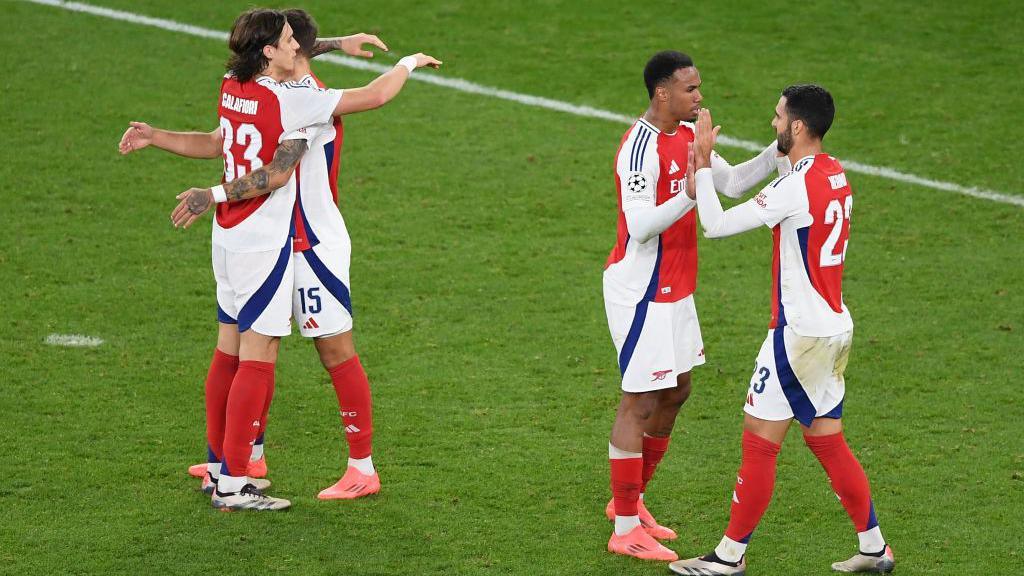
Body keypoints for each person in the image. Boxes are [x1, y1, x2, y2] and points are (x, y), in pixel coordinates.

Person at [123, 7, 440, 511]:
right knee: (250, 350)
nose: (298, 47)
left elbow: (296, 65)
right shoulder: (291, 97)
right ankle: (239, 463)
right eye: (291, 41)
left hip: (313, 245)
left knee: (329, 349)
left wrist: (343, 44)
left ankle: (360, 467)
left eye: (300, 41)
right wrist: (402, 61)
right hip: (269, 239)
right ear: (272, 52)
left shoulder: (259, 85)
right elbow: (368, 94)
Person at [669, 86, 894, 574]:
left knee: (759, 437)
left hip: (797, 338)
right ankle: (874, 547)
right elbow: (745, 179)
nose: (772, 125)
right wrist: (711, 157)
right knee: (826, 438)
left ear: (796, 126)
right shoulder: (834, 173)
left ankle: (729, 556)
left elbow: (716, 223)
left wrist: (701, 164)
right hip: (834, 328)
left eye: (777, 118)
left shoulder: (795, 185)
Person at [603, 50, 789, 561]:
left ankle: (631, 500)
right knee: (639, 400)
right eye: (690, 89)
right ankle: (623, 529)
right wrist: (689, 189)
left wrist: (779, 151)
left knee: (678, 390)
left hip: (677, 287)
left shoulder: (687, 134)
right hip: (641, 289)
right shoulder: (638, 149)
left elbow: (729, 184)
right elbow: (639, 226)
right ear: (662, 93)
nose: (699, 96)